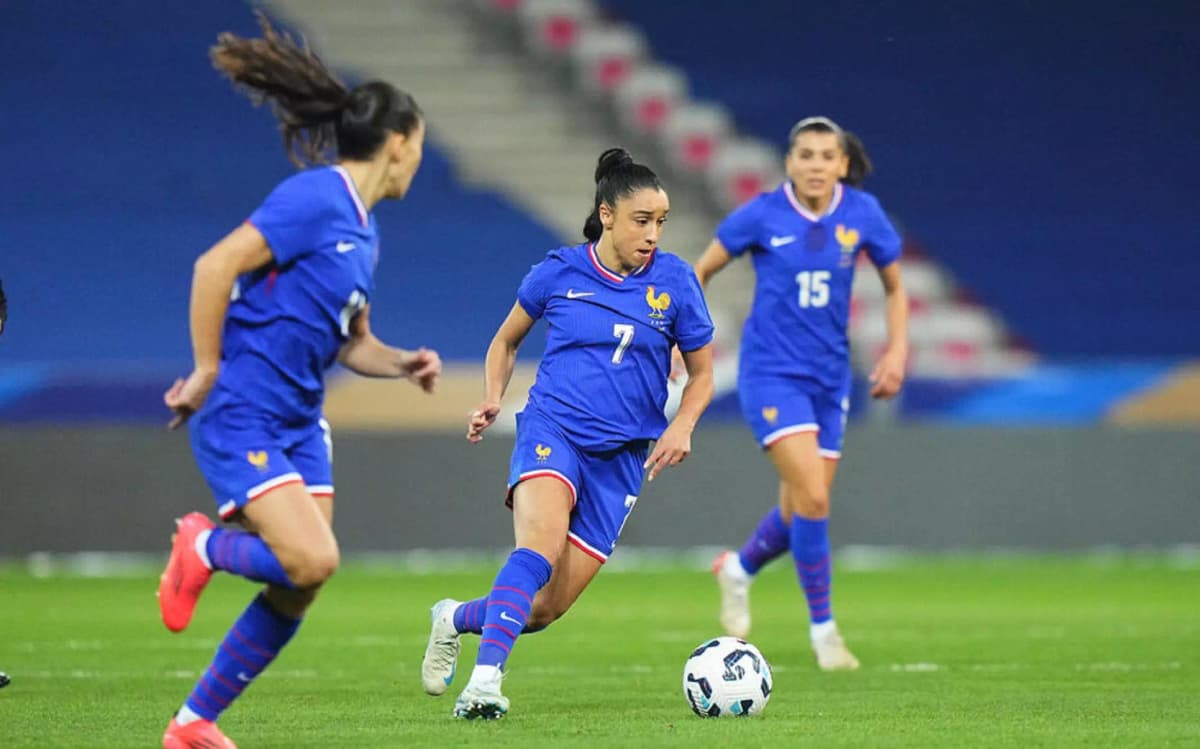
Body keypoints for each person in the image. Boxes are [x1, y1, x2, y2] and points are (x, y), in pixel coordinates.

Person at [156, 14, 440, 748]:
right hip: (245, 410)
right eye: (419, 146)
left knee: (301, 580)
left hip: (300, 420)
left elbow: (354, 343)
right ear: (400, 141)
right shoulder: (314, 198)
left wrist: (401, 362)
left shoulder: (364, 230)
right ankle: (202, 547)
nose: (419, 160)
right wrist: (206, 369)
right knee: (314, 556)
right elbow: (213, 267)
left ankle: (192, 723)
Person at [420, 148, 715, 719]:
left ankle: (453, 617)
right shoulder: (558, 272)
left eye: (661, 222)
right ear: (606, 215)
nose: (653, 234)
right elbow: (506, 340)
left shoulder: (676, 282)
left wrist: (682, 424)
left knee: (544, 609)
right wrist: (492, 396)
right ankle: (485, 682)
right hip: (553, 431)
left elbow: (702, 373)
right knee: (538, 548)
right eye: (641, 221)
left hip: (622, 457)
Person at [699, 117, 909, 671]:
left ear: (842, 164)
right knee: (815, 497)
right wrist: (683, 340)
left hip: (829, 378)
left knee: (801, 507)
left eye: (826, 156)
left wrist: (896, 351)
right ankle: (825, 634)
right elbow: (700, 273)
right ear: (789, 163)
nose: (816, 165)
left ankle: (739, 569)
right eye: (806, 155)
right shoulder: (762, 214)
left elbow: (895, 288)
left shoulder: (862, 213)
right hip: (770, 374)